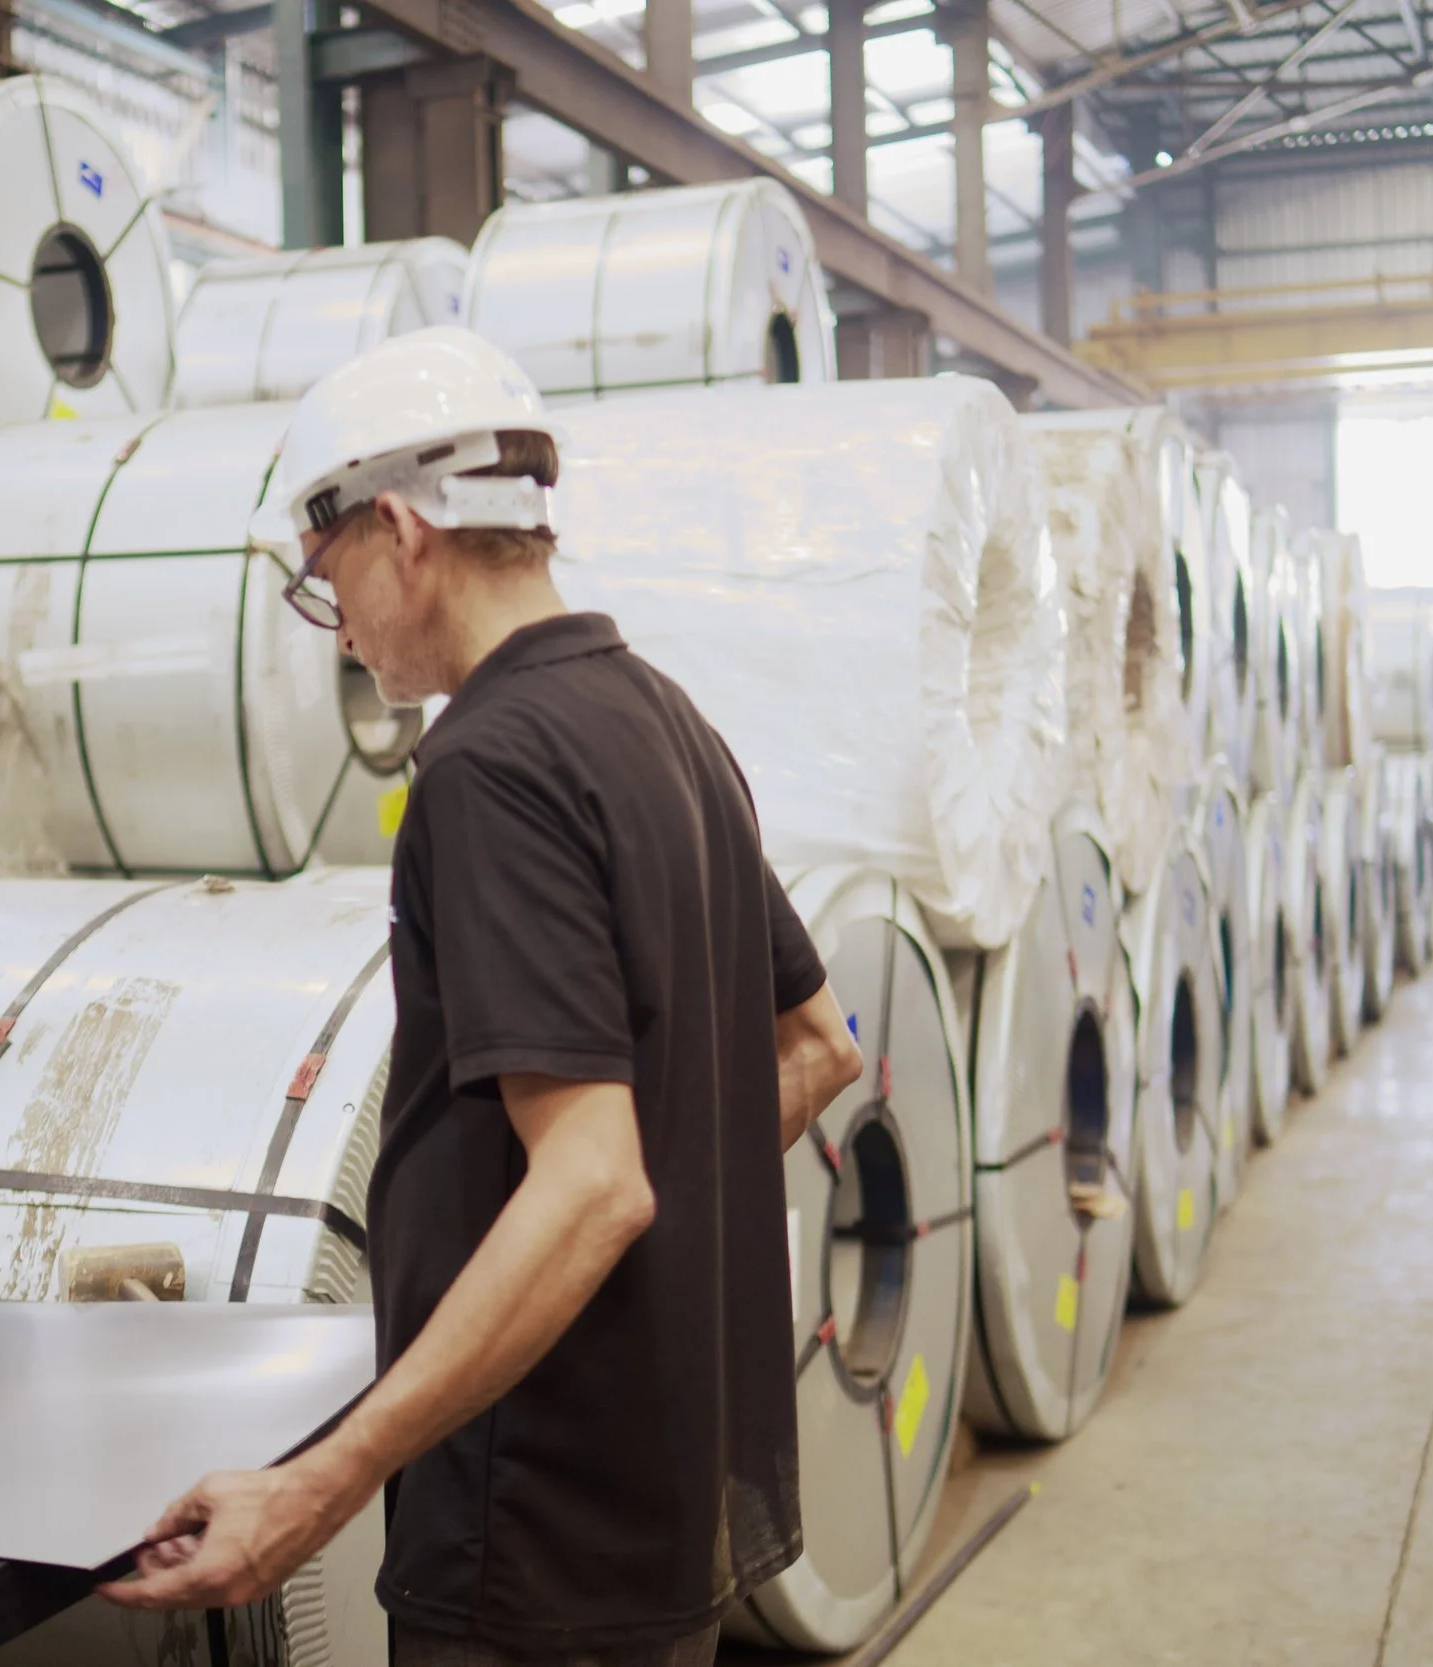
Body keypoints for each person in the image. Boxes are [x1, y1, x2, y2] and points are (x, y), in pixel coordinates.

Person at [99, 328, 864, 1665]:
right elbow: (818, 1046)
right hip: (667, 1512)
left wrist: (313, 1485)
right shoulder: (670, 722)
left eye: (326, 575)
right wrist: (631, 1277)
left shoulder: (490, 765)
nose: (337, 624)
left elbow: (593, 1181)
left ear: (399, 527)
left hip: (534, 1539)